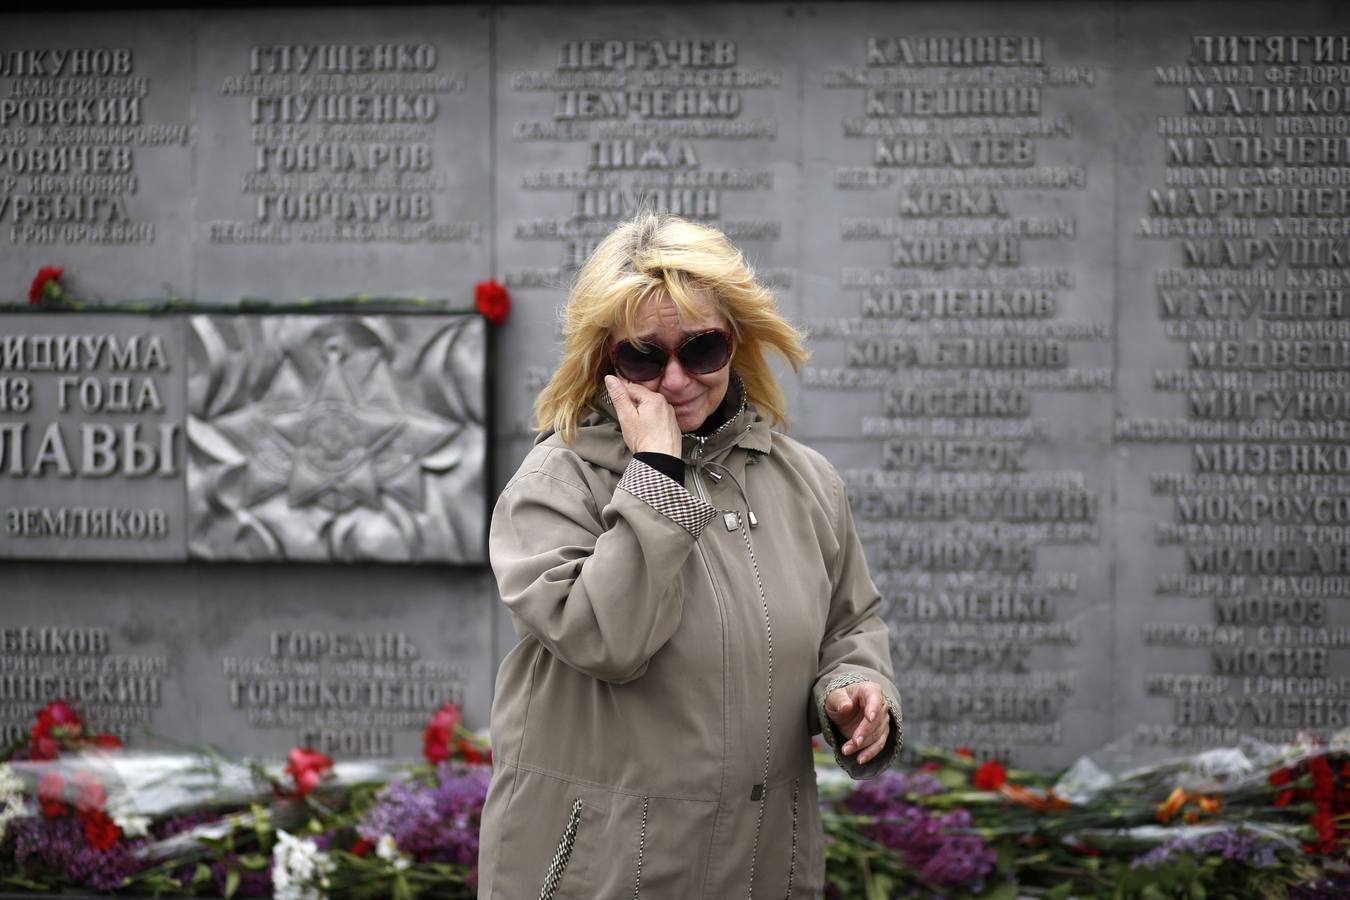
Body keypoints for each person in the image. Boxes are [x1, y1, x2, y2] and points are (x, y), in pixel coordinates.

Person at [478, 212, 901, 899]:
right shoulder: (555, 483)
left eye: (701, 349)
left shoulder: (808, 481)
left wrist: (852, 691)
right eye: (643, 357)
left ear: (737, 343)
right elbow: (608, 639)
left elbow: (851, 626)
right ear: (604, 361)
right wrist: (654, 476)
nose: (675, 380)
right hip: (607, 879)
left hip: (766, 871)